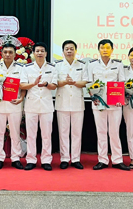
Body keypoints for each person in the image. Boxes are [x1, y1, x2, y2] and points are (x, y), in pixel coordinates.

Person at [87, 39, 128, 171]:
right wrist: (92, 96)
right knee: (101, 132)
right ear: (98, 49)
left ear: (112, 50)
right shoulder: (92, 65)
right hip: (98, 103)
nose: (105, 50)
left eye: (107, 48)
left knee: (115, 132)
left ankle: (117, 160)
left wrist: (120, 97)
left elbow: (122, 82)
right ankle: (102, 160)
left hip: (115, 104)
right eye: (102, 47)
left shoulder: (118, 64)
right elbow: (89, 83)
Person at [21, 42, 58, 171]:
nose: (40, 53)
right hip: (31, 105)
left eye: (42, 51)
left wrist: (47, 84)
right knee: (31, 135)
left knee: (46, 134)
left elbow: (54, 86)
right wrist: (33, 83)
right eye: (37, 51)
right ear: (33, 53)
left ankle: (46, 160)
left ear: (46, 53)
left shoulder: (52, 68)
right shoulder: (27, 68)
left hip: (46, 106)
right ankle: (31, 159)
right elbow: (22, 85)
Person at [54, 40, 89, 170]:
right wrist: (65, 82)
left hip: (77, 103)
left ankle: (75, 159)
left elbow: (85, 82)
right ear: (63, 51)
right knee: (63, 132)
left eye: (71, 49)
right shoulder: (57, 65)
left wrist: (74, 82)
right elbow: (54, 82)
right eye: (67, 49)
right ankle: (64, 158)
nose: (69, 51)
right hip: (62, 102)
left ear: (75, 51)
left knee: (76, 133)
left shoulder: (82, 65)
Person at [0, 43, 26, 170]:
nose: (7, 54)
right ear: (1, 54)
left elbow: (24, 85)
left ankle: (15, 157)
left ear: (15, 54)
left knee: (15, 132)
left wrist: (21, 98)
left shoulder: (21, 68)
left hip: (14, 104)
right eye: (5, 52)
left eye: (10, 52)